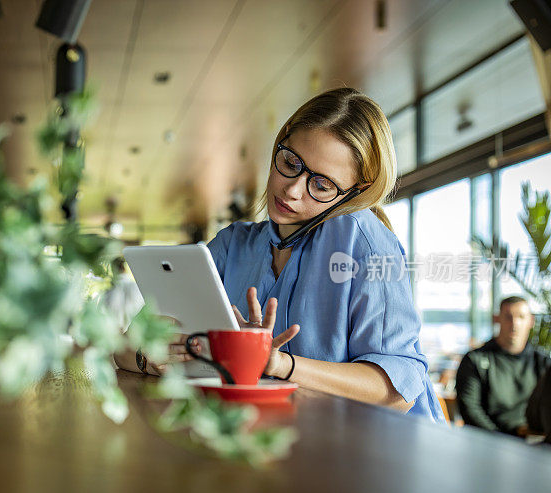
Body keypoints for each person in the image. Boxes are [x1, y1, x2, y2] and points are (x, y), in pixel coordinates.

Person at [117, 87, 444, 422]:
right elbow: (123, 349)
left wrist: (278, 364)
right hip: (276, 440)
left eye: (321, 185)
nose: (292, 189)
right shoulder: (233, 245)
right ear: (281, 143)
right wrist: (148, 356)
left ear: (353, 194)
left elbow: (399, 390)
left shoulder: (364, 241)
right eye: (291, 163)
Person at [456, 296, 551, 436]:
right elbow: (470, 411)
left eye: (521, 317)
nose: (514, 323)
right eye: (508, 317)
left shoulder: (544, 363)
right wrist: (500, 441)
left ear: (531, 321)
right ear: (496, 319)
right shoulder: (474, 360)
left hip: (536, 443)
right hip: (490, 443)